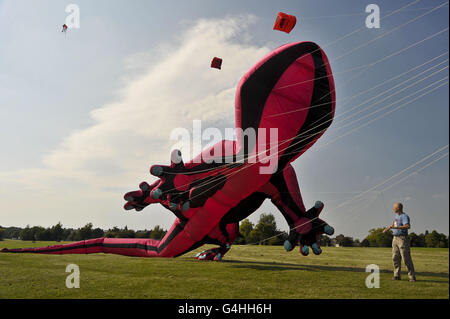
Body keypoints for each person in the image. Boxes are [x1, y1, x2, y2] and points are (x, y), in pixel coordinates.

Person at [383, 202, 416, 282]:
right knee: (395, 257)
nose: (393, 209)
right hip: (395, 238)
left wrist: (397, 227)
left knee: (406, 258)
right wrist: (387, 229)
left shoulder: (404, 216)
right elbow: (394, 224)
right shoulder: (396, 216)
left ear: (398, 208)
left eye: (394, 207)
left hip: (402, 239)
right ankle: (396, 275)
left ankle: (412, 277)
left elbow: (408, 226)